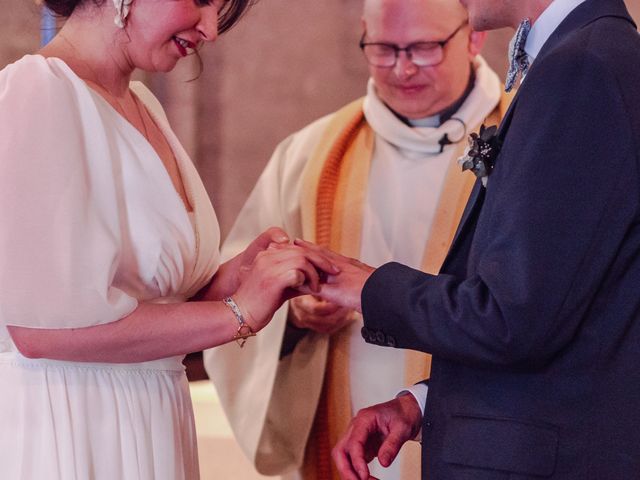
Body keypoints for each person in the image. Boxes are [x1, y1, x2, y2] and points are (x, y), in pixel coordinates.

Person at [299, 0, 640, 478]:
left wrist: (368, 286)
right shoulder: (585, 55)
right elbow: (570, 312)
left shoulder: (582, 67)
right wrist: (424, 402)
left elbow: (513, 316)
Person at [0, 1, 337, 479]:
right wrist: (235, 313)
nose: (211, 30)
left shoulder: (145, 105)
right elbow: (41, 330)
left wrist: (232, 278)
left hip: (152, 415)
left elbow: (142, 299)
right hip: (74, 424)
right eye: (201, 1)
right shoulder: (38, 91)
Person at [204, 0, 510, 478]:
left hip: (481, 437)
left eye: (424, 48)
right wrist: (295, 316)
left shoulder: (522, 138)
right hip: (345, 433)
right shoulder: (309, 156)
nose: (402, 67)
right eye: (383, 49)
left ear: (474, 37)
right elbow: (231, 294)